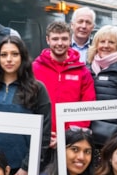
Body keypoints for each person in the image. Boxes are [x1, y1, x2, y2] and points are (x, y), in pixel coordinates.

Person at [0, 36, 51, 175]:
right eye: (4, 55)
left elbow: (44, 135)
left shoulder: (37, 89)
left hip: (20, 172)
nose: (9, 59)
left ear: (23, 57)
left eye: (14, 54)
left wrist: (27, 167)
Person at [32, 21, 96, 149]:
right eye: (55, 39)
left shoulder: (82, 72)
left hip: (71, 141)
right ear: (47, 40)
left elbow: (87, 108)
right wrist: (42, 133)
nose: (60, 43)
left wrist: (67, 135)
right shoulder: (34, 69)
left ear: (69, 39)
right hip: (38, 138)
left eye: (64, 39)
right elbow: (26, 103)